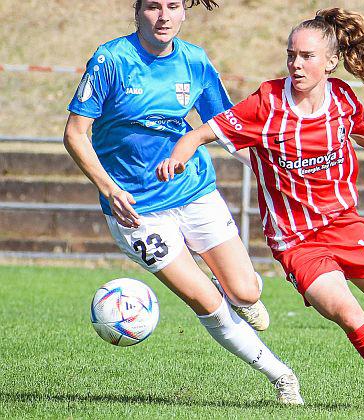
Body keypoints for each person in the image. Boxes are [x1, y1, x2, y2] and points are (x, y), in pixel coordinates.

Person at [157, 8, 364, 414]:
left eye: (307, 56)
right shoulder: (267, 102)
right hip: (296, 241)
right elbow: (200, 133)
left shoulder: (341, 99)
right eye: (291, 55)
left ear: (330, 62)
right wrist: (178, 155)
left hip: (345, 224)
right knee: (348, 312)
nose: (296, 64)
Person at [63, 0, 303, 404]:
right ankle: (282, 377)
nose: (163, 16)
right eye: (153, 7)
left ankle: (239, 295)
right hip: (136, 211)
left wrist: (275, 171)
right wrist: (108, 187)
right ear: (137, 11)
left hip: (193, 190)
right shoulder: (111, 60)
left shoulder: (194, 61)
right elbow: (75, 134)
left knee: (244, 293)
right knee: (206, 301)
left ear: (184, 12)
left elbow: (227, 127)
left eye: (173, 6)